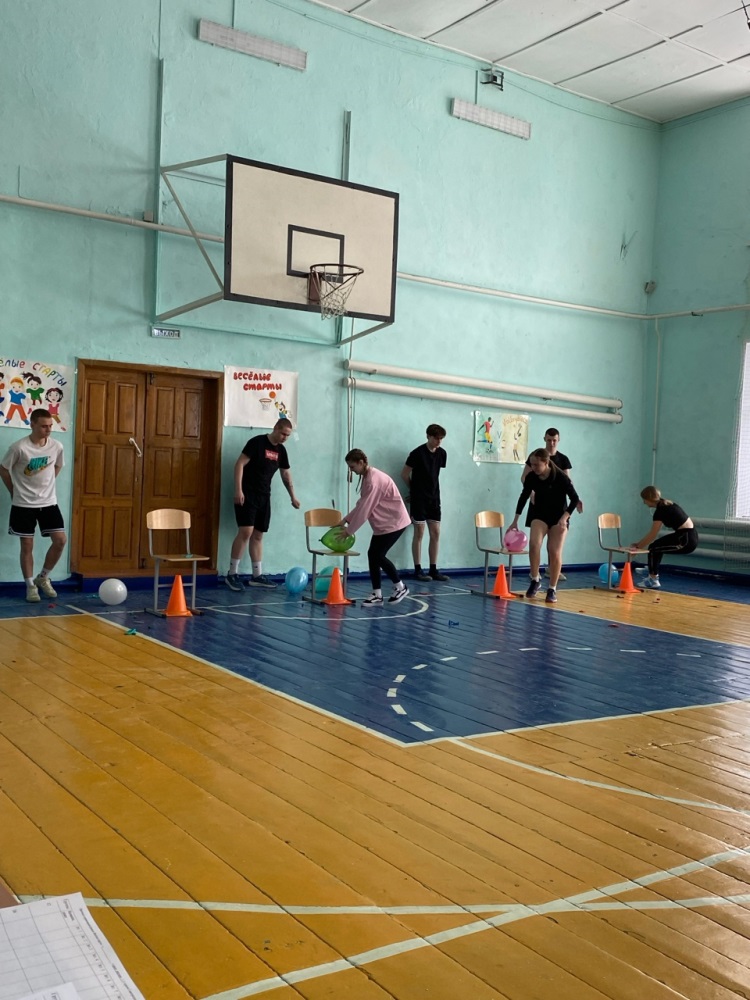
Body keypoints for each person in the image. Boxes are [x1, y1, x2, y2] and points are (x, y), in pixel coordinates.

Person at [225, 417, 300, 591]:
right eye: (283, 434)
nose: (284, 438)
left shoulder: (281, 451)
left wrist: (293, 496)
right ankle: (232, 573)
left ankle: (257, 575)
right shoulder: (257, 443)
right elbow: (239, 464)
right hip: (247, 494)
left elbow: (286, 474)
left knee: (258, 535)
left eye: (288, 436)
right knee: (246, 531)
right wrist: (238, 490)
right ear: (275, 428)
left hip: (264, 496)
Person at [0, 408, 66, 602]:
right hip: (23, 504)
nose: (48, 430)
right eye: (44, 426)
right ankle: (30, 586)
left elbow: (57, 466)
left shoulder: (57, 446)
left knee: (60, 540)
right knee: (27, 544)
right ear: (33, 424)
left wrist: (47, 485)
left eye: (50, 426)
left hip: (48, 502)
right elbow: (3, 469)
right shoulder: (18, 448)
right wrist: (13, 491)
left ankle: (42, 577)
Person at [337, 449, 411, 608]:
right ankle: (377, 594)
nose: (351, 470)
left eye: (352, 467)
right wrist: (345, 520)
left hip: (395, 522)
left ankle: (400, 587)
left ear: (361, 463)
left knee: (378, 555)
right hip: (384, 524)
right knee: (373, 555)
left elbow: (365, 510)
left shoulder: (373, 481)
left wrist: (349, 531)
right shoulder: (367, 477)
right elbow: (362, 504)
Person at [509, 447, 580, 604]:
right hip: (539, 514)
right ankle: (535, 579)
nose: (533, 468)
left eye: (536, 465)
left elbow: (575, 499)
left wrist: (565, 518)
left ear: (546, 463)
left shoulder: (561, 477)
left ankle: (552, 588)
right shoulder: (531, 477)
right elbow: (523, 497)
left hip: (558, 517)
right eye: (531, 464)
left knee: (554, 551)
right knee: (534, 544)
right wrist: (515, 520)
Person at [520, 427, 583, 580]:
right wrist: (531, 492)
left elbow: (568, 482)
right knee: (536, 542)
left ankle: (552, 570)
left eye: (554, 440)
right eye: (549, 440)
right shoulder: (536, 456)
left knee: (554, 545)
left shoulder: (563, 460)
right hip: (539, 505)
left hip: (557, 506)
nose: (552, 443)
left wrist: (576, 499)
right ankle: (534, 573)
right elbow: (525, 477)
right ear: (545, 439)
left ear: (558, 440)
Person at [401, 423, 449, 582]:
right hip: (419, 499)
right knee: (419, 532)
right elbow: (404, 474)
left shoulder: (442, 454)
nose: (439, 441)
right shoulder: (417, 453)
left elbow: (434, 475)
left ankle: (433, 569)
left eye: (441, 438)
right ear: (428, 436)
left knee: (435, 533)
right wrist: (413, 491)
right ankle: (418, 569)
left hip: (434, 498)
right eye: (436, 438)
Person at [630, 486, 698, 589]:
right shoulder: (667, 504)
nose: (644, 502)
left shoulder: (661, 510)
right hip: (687, 535)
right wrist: (639, 545)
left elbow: (652, 535)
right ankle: (652, 568)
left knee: (654, 548)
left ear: (649, 499)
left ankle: (653, 580)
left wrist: (638, 547)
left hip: (686, 540)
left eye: (644, 500)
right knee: (656, 546)